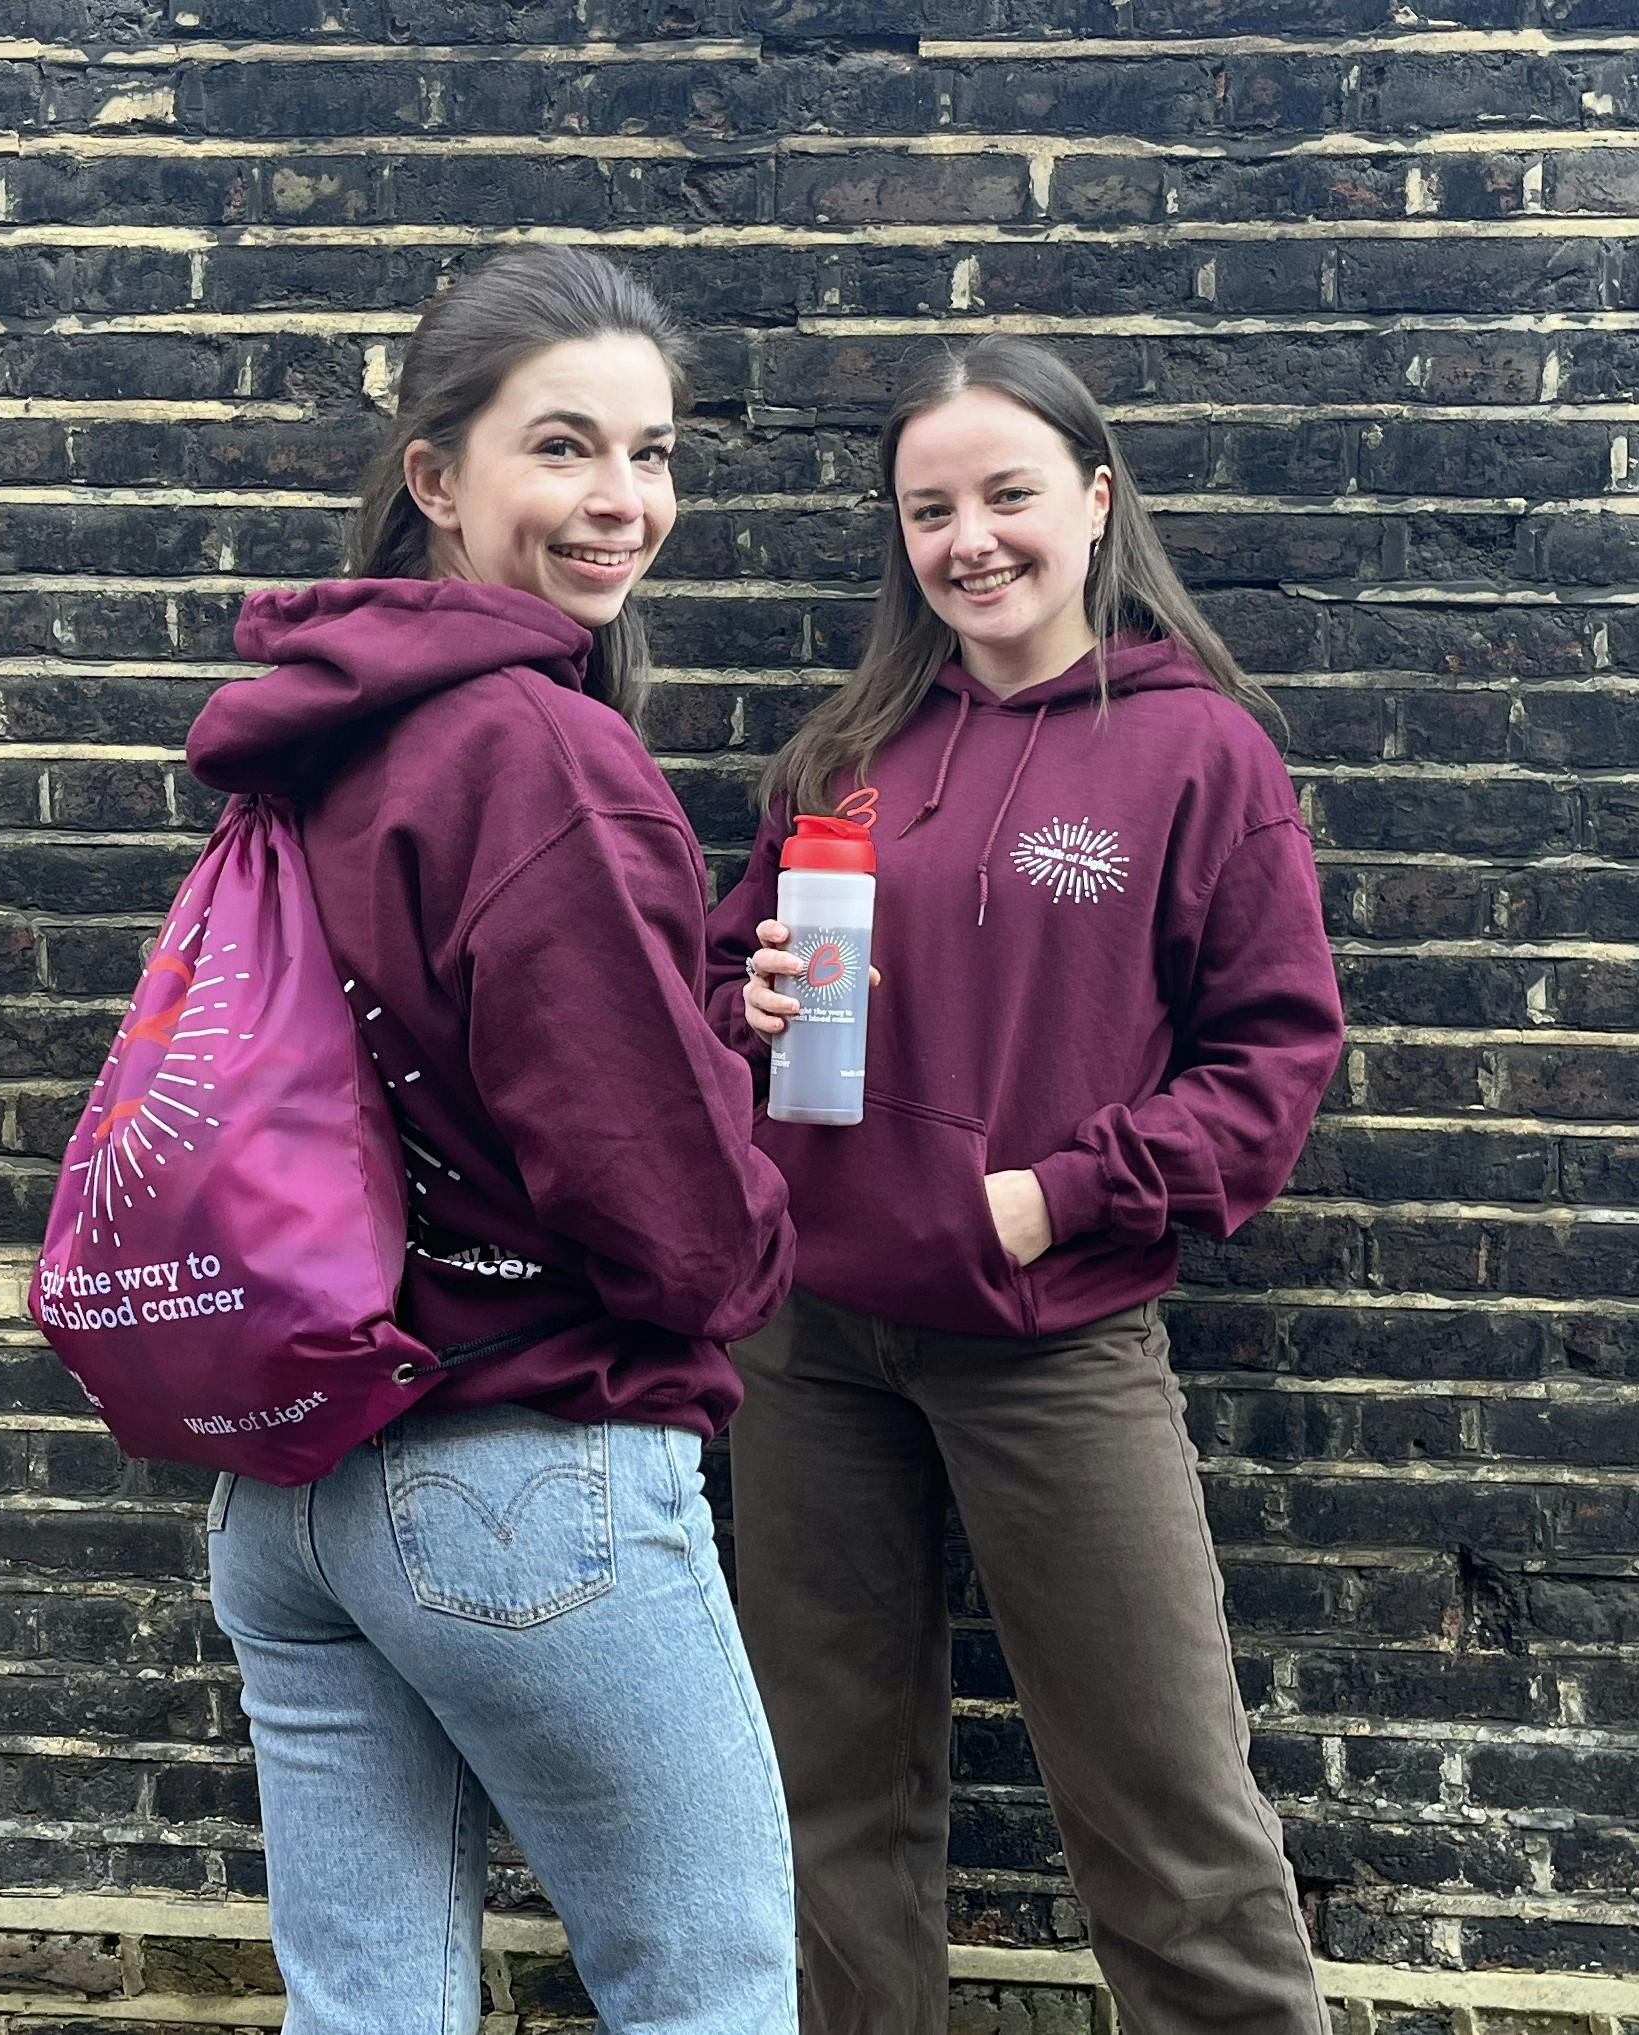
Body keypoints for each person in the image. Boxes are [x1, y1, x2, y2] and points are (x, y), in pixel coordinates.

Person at [186, 246, 798, 2035]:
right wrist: (741, 1187)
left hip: (295, 1480)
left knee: (367, 2009)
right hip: (525, 1477)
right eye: (563, 449)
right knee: (708, 1998)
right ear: (435, 477)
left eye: (654, 452)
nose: (622, 504)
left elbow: (404, 1041)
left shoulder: (317, 736)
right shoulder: (543, 753)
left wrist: (678, 1004)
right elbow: (682, 1232)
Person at [706, 336, 1343, 2035]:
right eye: (930, 509)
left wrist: (1053, 1198)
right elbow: (702, 1004)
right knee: (816, 1805)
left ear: (1093, 500)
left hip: (1050, 1336)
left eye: (1005, 494)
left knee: (1163, 1808)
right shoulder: (842, 753)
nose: (969, 538)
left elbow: (1271, 1065)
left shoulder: (1197, 757)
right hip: (812, 1346)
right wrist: (742, 1004)